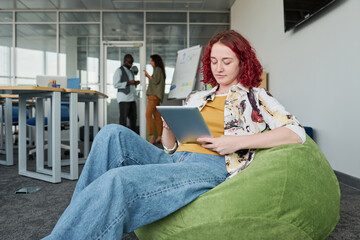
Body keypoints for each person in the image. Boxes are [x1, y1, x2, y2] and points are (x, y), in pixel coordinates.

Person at [43, 30, 306, 239]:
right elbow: (170, 147)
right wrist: (168, 130)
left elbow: (296, 133)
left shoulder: (256, 96)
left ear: (242, 62)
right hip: (175, 159)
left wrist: (235, 142)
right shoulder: (198, 96)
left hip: (210, 166)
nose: (219, 68)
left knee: (119, 181)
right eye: (213, 61)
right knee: (111, 133)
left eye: (227, 61)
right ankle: (76, 223)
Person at [113, 54, 140, 132]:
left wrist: (135, 83)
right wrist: (128, 83)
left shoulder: (131, 71)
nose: (131, 64)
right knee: (123, 119)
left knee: (133, 119)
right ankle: (122, 137)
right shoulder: (119, 70)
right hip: (124, 98)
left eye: (132, 63)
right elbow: (115, 84)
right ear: (125, 61)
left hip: (132, 98)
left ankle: (133, 138)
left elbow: (131, 84)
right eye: (129, 62)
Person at [144, 54, 166, 144]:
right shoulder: (160, 70)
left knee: (148, 115)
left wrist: (148, 75)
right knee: (157, 116)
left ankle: (152, 136)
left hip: (153, 97)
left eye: (151, 60)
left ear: (155, 61)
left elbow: (155, 80)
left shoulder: (157, 69)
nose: (150, 62)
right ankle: (160, 137)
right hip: (156, 97)